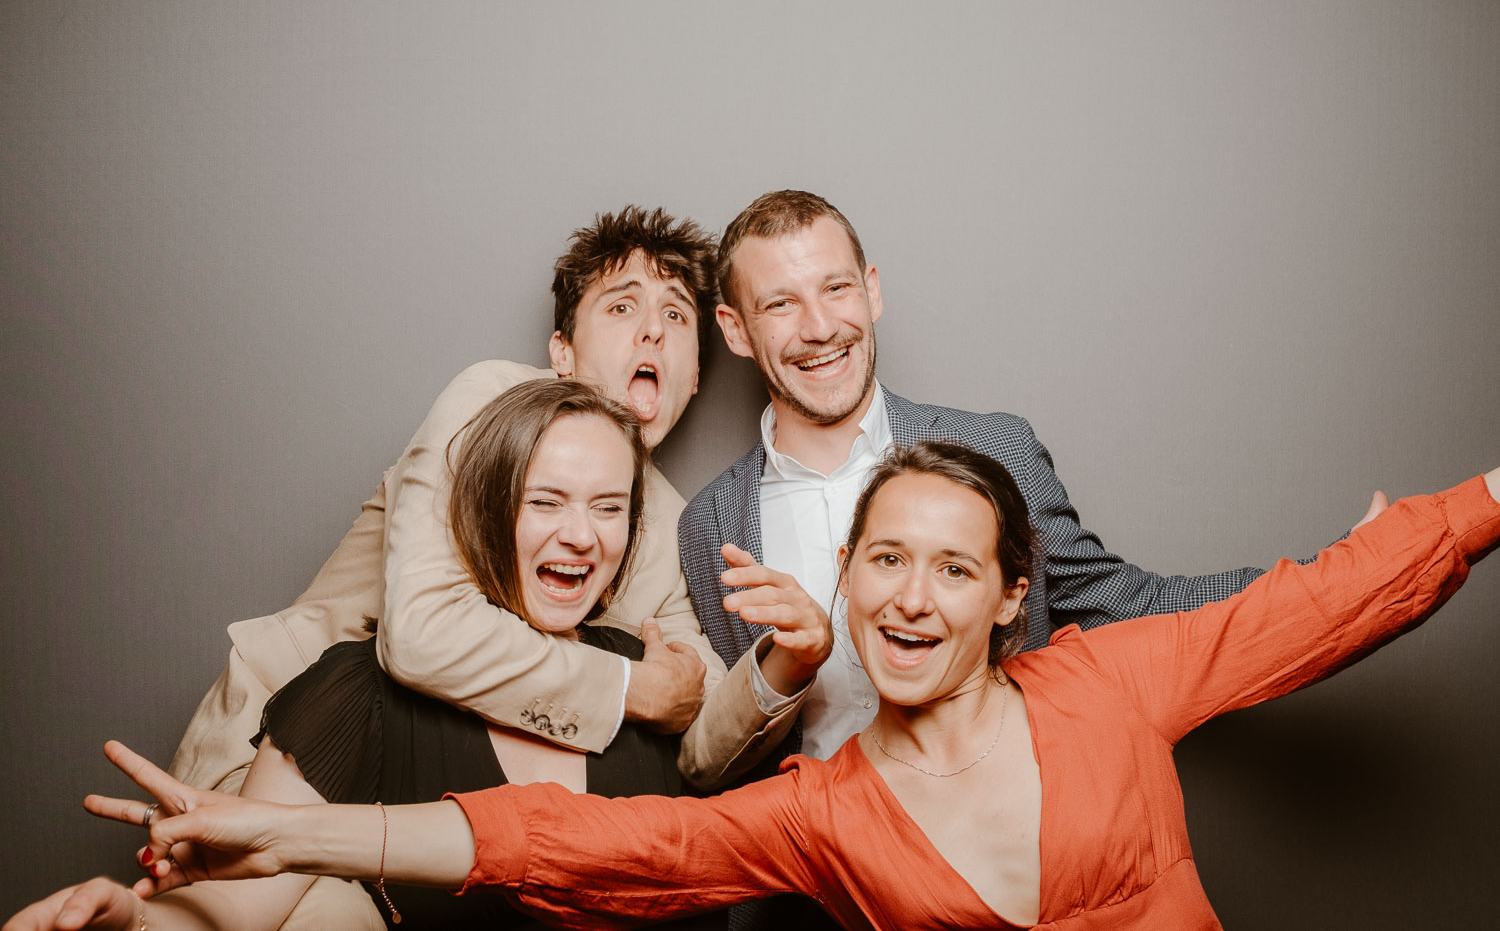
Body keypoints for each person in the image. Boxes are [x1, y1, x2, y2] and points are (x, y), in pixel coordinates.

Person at [10, 447, 1496, 931]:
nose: (914, 597)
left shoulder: (1115, 677)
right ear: (847, 583)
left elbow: (1334, 595)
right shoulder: (821, 812)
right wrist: (289, 834)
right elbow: (583, 846)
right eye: (886, 562)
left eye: (955, 569)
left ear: (1008, 594)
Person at [166, 205, 730, 926]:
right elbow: (423, 633)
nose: (652, 329)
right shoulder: (489, 402)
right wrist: (633, 688)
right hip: (291, 752)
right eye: (622, 306)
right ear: (562, 353)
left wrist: (786, 672)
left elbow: (702, 712)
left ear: (693, 377)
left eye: (677, 317)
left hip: (450, 804)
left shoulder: (673, 523)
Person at [678, 189, 1340, 793]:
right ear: (736, 329)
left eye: (836, 289)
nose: (820, 326)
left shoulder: (995, 452)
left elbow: (1132, 605)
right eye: (781, 304)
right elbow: (720, 755)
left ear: (871, 292)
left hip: (1008, 852)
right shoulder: (710, 524)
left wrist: (1341, 578)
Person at [9, 379, 721, 931]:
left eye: (607, 507)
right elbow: (241, 909)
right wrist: (131, 919)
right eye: (546, 502)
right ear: (484, 508)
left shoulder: (661, 684)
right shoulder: (357, 697)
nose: (581, 535)